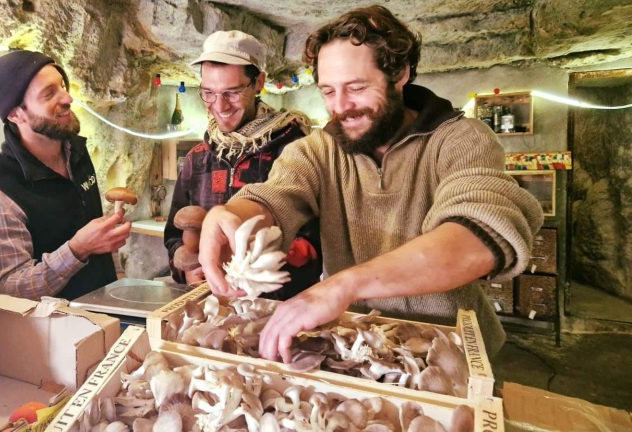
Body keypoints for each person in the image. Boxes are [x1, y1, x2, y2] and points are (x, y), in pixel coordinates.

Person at [199, 6, 543, 362]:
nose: (341, 107)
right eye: (329, 91)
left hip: (447, 354)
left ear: (400, 74)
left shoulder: (461, 141)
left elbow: (478, 240)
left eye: (357, 87)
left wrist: (344, 286)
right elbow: (274, 197)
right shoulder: (318, 150)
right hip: (353, 351)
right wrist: (231, 216)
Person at [163, 30, 322, 299]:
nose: (220, 106)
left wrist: (262, 265)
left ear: (258, 82)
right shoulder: (198, 157)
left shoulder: (295, 150)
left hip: (282, 308)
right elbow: (174, 235)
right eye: (209, 93)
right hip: (210, 303)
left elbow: (318, 239)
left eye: (232, 92)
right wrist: (186, 267)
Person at [0, 50, 130, 301]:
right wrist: (77, 250)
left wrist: (120, 280)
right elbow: (10, 289)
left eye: (62, 86)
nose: (67, 98)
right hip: (54, 333)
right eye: (49, 93)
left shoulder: (75, 150)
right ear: (15, 114)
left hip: (107, 314)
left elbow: (95, 231)